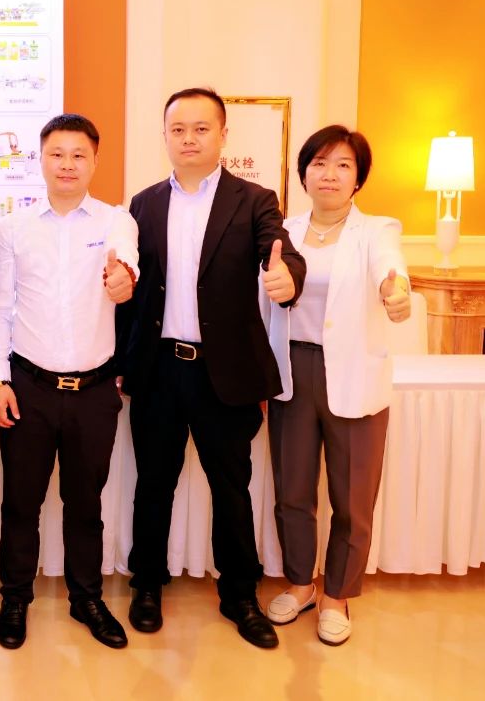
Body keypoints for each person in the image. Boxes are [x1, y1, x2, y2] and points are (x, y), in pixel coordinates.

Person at [117, 87, 306, 649]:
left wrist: (287, 277)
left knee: (232, 488)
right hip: (159, 369)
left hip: (224, 373)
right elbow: (131, 287)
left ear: (223, 135)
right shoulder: (143, 204)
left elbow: (282, 251)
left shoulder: (255, 200)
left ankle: (240, 595)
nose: (189, 139)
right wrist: (125, 358)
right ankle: (146, 584)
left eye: (202, 128)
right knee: (154, 484)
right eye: (178, 129)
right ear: (165, 136)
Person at [0, 114, 139, 651]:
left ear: (95, 161)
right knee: (20, 503)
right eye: (57, 154)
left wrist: (124, 278)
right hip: (28, 387)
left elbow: (126, 261)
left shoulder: (116, 220)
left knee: (85, 504)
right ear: (41, 159)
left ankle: (86, 598)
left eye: (78, 155)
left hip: (94, 391)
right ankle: (15, 598)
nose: (67, 164)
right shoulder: (13, 228)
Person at [261, 125, 410, 646]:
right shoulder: (282, 231)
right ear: (303, 173)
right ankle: (301, 584)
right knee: (293, 491)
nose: (329, 174)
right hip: (293, 373)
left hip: (353, 373)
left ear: (358, 178)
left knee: (352, 498)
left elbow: (391, 268)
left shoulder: (376, 230)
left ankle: (338, 595)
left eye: (343, 165)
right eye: (319, 163)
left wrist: (397, 291)